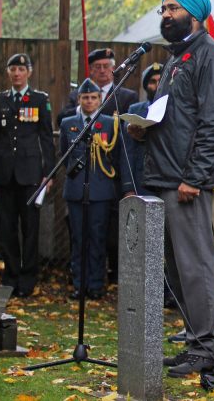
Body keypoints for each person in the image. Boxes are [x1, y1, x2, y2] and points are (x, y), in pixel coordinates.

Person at [133, 0, 214, 378]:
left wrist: (195, 177)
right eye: (163, 9)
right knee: (177, 268)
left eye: (173, 9)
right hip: (165, 176)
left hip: (187, 181)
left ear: (194, 13)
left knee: (197, 265)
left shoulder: (209, 55)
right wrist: (143, 128)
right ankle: (193, 339)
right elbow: (176, 118)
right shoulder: (177, 58)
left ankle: (206, 346)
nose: (166, 15)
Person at [0, 53, 55, 298]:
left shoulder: (39, 99)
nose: (16, 73)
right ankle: (10, 276)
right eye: (12, 69)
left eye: (21, 69)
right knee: (7, 228)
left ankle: (28, 278)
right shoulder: (0, 101)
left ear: (29, 73)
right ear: (8, 73)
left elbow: (46, 137)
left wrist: (49, 171)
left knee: (30, 228)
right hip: (4, 173)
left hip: (31, 173)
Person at [59, 78, 128, 300]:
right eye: (85, 97)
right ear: (79, 99)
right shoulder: (68, 123)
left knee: (98, 238)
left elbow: (116, 157)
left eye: (93, 98)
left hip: (101, 188)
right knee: (78, 239)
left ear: (101, 99)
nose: (89, 101)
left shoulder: (110, 123)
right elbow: (64, 154)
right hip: (76, 188)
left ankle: (97, 284)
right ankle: (80, 284)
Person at [122, 62, 162, 197]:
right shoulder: (136, 110)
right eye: (152, 81)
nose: (157, 85)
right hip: (141, 181)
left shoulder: (178, 110)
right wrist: (128, 187)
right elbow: (128, 151)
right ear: (146, 86)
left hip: (169, 180)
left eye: (161, 81)